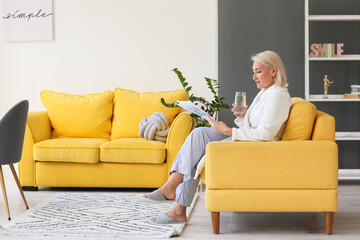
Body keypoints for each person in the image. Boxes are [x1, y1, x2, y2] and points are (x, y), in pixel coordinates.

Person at [144, 50, 293, 224]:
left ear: (274, 71)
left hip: (255, 147)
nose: (254, 77)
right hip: (247, 140)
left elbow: (266, 135)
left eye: (258, 71)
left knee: (199, 153)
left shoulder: (278, 96)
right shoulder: (265, 93)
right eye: (254, 72)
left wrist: (228, 131)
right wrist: (243, 117)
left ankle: (177, 207)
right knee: (199, 134)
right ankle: (171, 186)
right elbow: (255, 127)